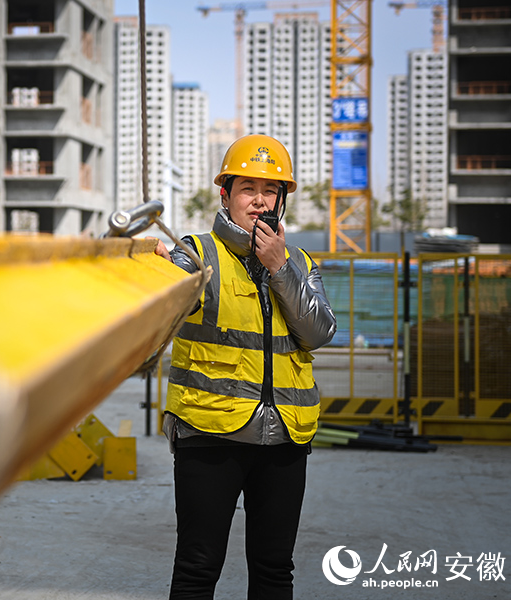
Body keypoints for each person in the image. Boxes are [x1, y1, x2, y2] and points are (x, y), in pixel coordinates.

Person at [155, 134, 336, 599]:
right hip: (211, 434)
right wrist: (158, 275)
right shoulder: (196, 253)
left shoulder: (299, 261)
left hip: (285, 438)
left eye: (270, 190)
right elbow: (165, 309)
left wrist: (279, 268)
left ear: (281, 201)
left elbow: (319, 332)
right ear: (225, 195)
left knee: (275, 569)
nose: (259, 200)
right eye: (247, 189)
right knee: (197, 567)